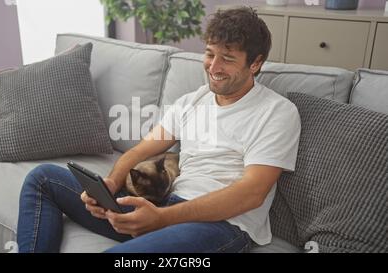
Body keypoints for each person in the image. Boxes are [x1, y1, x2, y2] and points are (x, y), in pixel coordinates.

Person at [16, 6, 301, 253]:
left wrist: (163, 219)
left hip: (222, 226)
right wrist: (110, 186)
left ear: (255, 63)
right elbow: (139, 151)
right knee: (42, 178)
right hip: (167, 207)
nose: (213, 67)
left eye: (227, 59)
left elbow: (251, 193)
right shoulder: (193, 101)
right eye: (210, 54)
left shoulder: (276, 112)